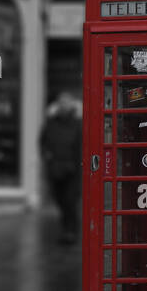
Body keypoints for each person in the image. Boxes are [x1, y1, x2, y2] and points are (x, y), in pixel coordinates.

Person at [40, 91, 83, 245]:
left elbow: (83, 147)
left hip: (73, 170)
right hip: (55, 169)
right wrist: (47, 156)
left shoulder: (78, 123)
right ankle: (67, 229)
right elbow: (43, 141)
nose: (63, 105)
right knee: (60, 201)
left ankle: (71, 231)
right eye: (61, 102)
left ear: (72, 104)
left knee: (70, 201)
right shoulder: (51, 122)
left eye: (67, 102)